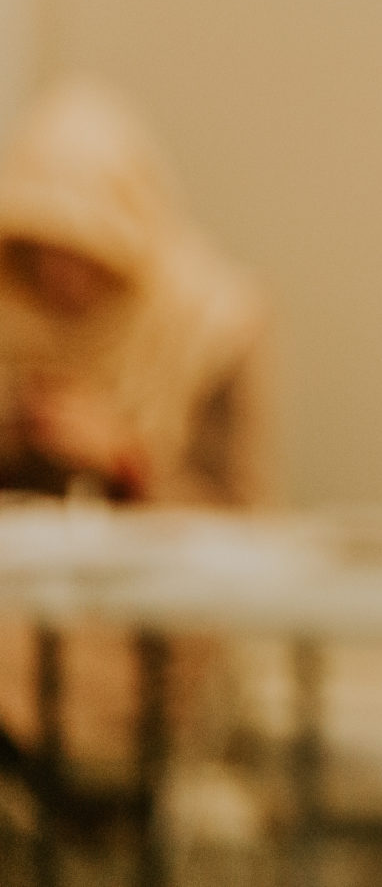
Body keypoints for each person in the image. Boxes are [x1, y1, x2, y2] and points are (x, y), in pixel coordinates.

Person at [0, 79, 268, 787]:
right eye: (42, 249)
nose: (60, 275)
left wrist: (125, 459)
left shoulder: (211, 328)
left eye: (81, 248)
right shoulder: (15, 318)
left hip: (143, 629)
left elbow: (241, 524)